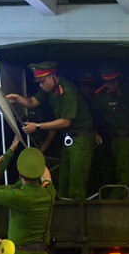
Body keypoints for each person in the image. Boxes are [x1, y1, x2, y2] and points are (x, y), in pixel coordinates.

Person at [7, 61, 95, 200]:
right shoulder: (48, 89)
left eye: (42, 81)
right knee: (63, 180)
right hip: (70, 139)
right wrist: (18, 99)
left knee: (77, 183)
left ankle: (77, 216)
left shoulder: (68, 91)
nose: (40, 85)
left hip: (81, 139)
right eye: (39, 82)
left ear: (52, 76)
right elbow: (32, 102)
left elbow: (66, 121)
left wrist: (37, 126)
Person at [92, 63, 129, 199]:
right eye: (107, 82)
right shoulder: (101, 97)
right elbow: (92, 116)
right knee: (126, 178)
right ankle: (112, 205)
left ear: (119, 79)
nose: (110, 84)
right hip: (121, 140)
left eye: (113, 81)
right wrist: (96, 132)